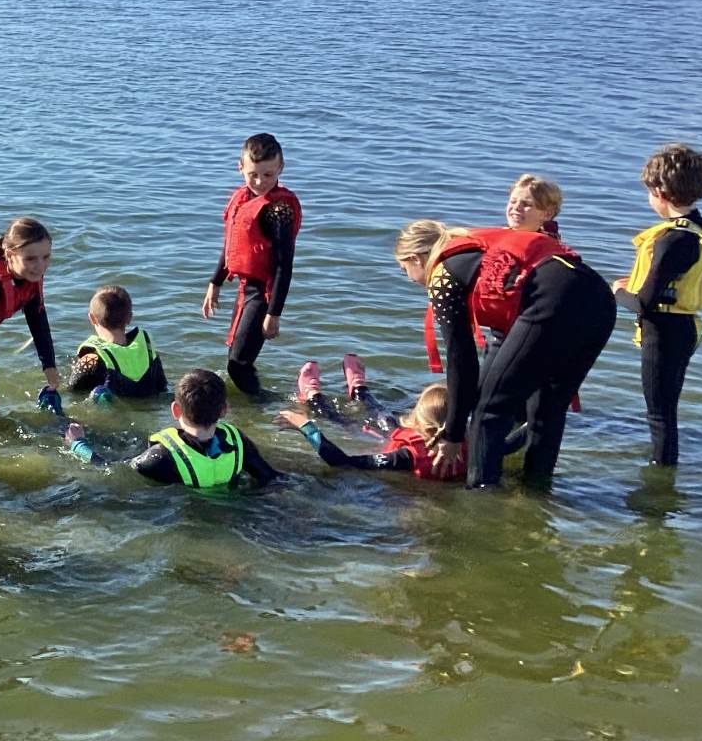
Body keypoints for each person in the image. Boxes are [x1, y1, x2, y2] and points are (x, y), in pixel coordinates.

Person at [397, 218, 614, 488]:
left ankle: (480, 498)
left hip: (553, 300)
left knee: (489, 410)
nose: (411, 279)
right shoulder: (476, 248)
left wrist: (453, 435)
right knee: (547, 409)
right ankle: (536, 493)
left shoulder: (442, 276)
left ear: (416, 259)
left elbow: (461, 360)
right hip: (599, 299)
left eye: (404, 269)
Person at [612, 144, 702, 467]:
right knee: (667, 410)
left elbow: (643, 304)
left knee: (659, 415)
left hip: (661, 333)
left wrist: (615, 291)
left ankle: (660, 476)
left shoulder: (671, 239)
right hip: (687, 328)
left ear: (659, 193)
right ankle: (665, 464)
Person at [63, 368, 280, 488]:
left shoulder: (161, 456)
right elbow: (270, 477)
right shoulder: (236, 442)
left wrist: (78, 445)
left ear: (176, 410)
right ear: (224, 410)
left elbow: (110, 469)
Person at [201, 133, 300, 396]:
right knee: (235, 356)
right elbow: (232, 245)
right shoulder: (242, 199)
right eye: (253, 174)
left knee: (238, 364)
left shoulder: (279, 210)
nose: (260, 182)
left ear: (281, 168)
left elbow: (284, 266)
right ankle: (251, 404)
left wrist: (273, 314)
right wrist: (215, 282)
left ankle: (264, 405)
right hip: (246, 288)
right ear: (241, 167)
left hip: (264, 293)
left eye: (268, 175)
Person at [279, 380, 512, 482]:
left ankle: (316, 397)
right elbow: (515, 440)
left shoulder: (406, 457)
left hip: (394, 438)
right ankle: (358, 389)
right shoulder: (477, 447)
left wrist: (306, 426)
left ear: (420, 418)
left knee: (352, 423)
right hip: (404, 437)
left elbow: (342, 462)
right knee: (383, 419)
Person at [0, 218, 62, 414]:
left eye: (46, 257)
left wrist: (49, 365)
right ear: (10, 255)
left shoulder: (30, 273)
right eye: (31, 259)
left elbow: (37, 317)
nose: (40, 266)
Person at [67, 286, 166, 400]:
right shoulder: (147, 349)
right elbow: (162, 386)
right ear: (130, 318)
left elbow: (72, 392)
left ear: (92, 319)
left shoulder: (92, 359)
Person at [505, 173, 564, 239]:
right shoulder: (499, 235)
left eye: (526, 204)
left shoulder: (547, 243)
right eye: (513, 202)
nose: (516, 207)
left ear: (547, 214)